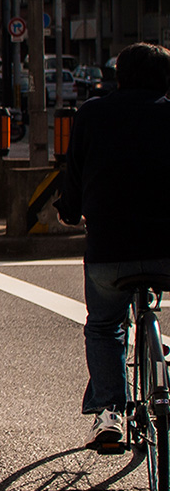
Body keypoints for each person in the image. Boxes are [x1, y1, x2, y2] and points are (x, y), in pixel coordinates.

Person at [55, 42, 170, 450]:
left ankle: (110, 413)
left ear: (117, 75)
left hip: (110, 247)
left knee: (105, 326)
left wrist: (68, 212)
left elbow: (75, 176)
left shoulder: (93, 114)